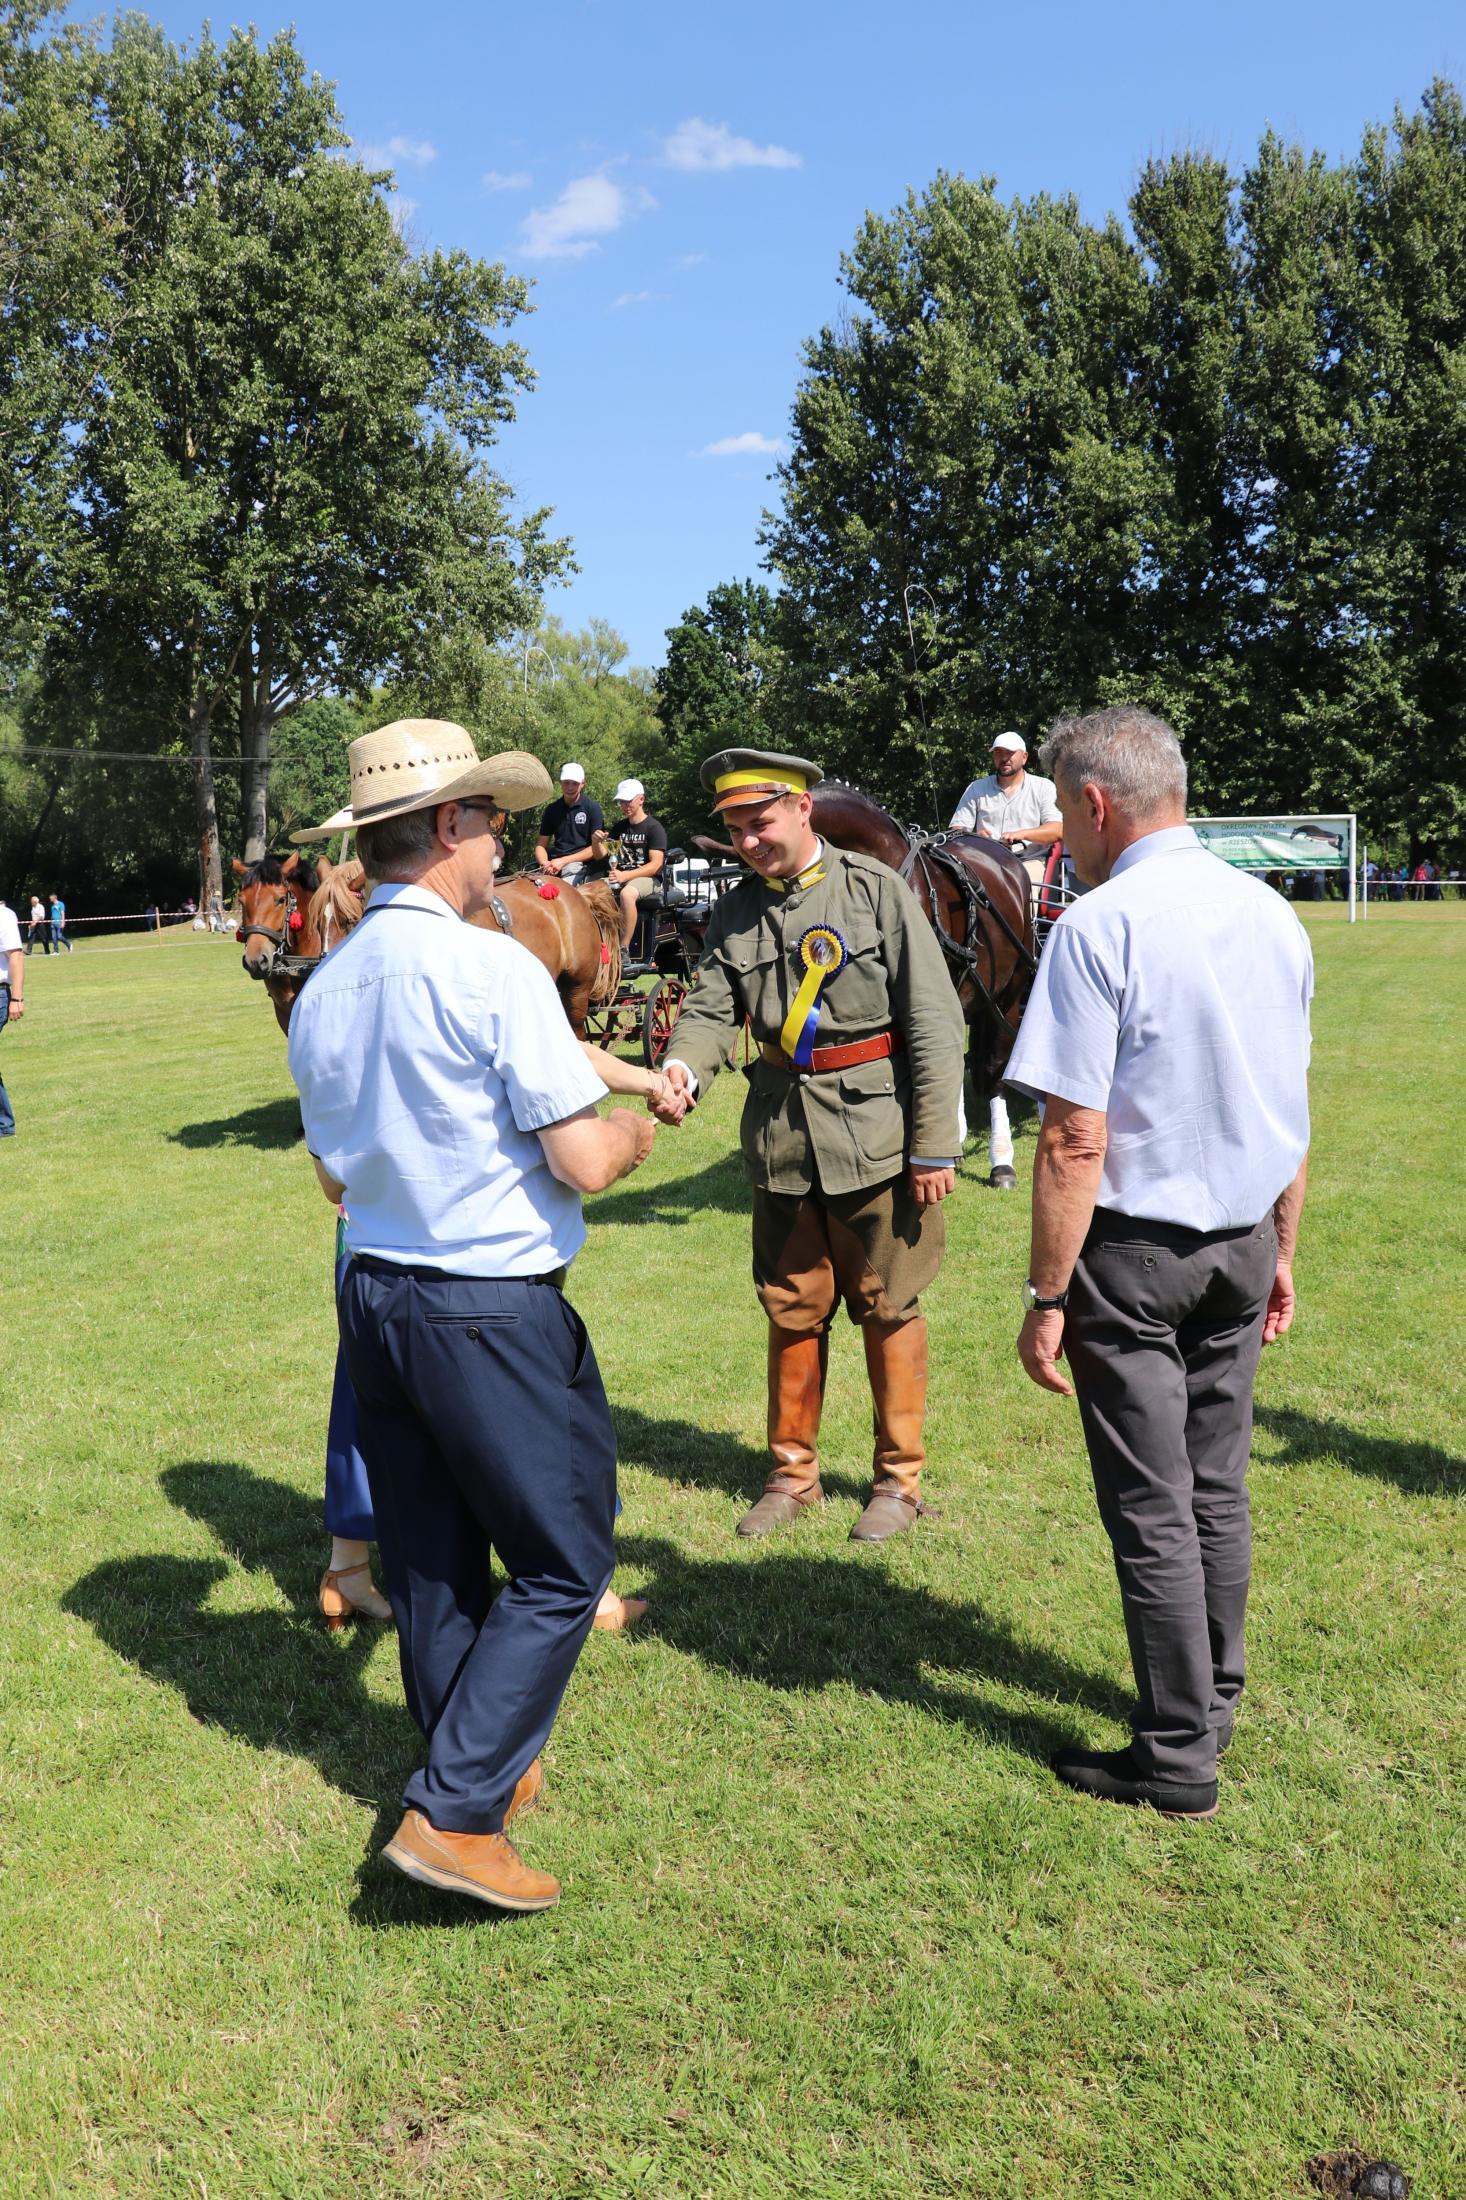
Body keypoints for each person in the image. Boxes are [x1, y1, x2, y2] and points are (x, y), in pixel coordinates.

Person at [289, 718, 659, 1912]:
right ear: (448, 826)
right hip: (485, 1304)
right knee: (563, 1558)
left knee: (433, 1563)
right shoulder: (491, 970)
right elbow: (581, 1160)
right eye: (491, 821)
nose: (501, 843)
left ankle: (477, 1767)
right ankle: (452, 1814)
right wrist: (631, 1131)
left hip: (375, 1297)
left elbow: (333, 1179)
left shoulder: (322, 990)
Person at [1004, 705, 1312, 1822]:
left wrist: (1045, 1295)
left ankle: (1178, 1752)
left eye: (1060, 809)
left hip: (1133, 1258)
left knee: (1151, 1505)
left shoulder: (1098, 926)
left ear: (1094, 804)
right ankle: (1210, 1700)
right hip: (1240, 1242)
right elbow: (1288, 1104)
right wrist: (1282, 1247)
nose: (1060, 832)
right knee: (1215, 1485)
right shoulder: (1270, 913)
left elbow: (1070, 1137)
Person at [663, 748, 965, 1542]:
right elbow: (709, 1011)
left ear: (803, 807)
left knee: (889, 1302)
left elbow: (933, 1021)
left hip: (879, 1137)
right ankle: (792, 1476)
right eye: (735, 830)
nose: (748, 842)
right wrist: (683, 1067)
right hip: (782, 1139)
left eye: (759, 823)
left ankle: (898, 1483)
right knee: (792, 1305)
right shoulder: (735, 912)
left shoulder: (877, 891)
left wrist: (935, 1143)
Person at [948, 733, 1064, 889]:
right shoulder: (976, 788)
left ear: (1024, 757)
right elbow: (955, 832)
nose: (1004, 758)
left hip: (1029, 862)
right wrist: (975, 837)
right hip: (984, 862)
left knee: (1020, 888)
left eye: (1010, 753)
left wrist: (1021, 834)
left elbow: (1057, 830)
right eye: (998, 753)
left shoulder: (1043, 787)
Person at [606, 778, 668, 959]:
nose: (624, 805)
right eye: (621, 801)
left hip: (649, 879)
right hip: (621, 876)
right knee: (590, 891)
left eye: (628, 801)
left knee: (627, 894)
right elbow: (603, 854)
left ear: (641, 799)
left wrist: (625, 876)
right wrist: (596, 842)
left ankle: (623, 949)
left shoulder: (654, 828)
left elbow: (656, 865)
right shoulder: (619, 827)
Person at [535, 763, 608, 883]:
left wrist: (564, 861)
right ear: (560, 783)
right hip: (554, 863)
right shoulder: (552, 809)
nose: (570, 787)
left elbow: (596, 848)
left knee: (564, 887)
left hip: (581, 864)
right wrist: (545, 863)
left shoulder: (592, 808)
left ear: (582, 783)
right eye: (566, 782)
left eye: (575, 783)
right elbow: (541, 845)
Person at [0, 891, 24, 1136]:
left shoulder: (3, 916)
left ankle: (4, 1125)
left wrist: (16, 998)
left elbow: (15, 956)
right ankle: (4, 1125)